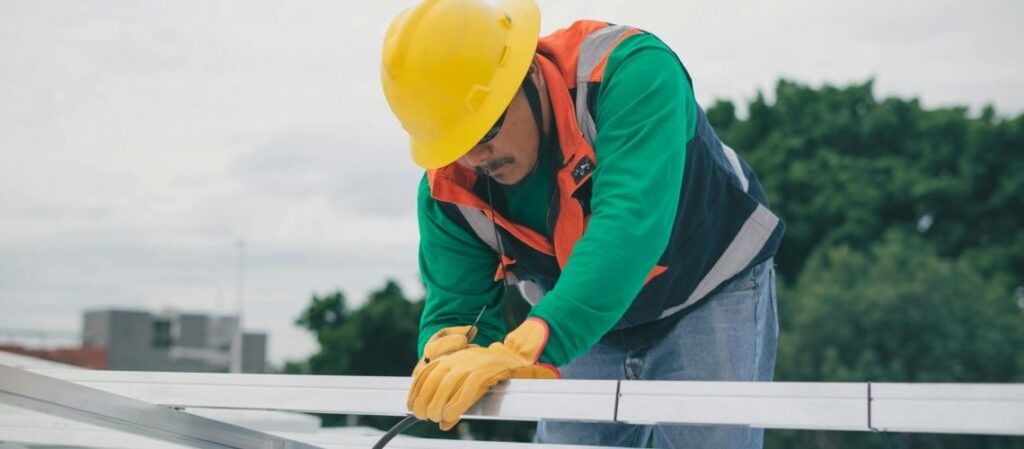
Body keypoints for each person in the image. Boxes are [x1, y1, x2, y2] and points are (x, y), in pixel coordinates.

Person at [381, 0, 783, 447]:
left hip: (706, 288)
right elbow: (459, 309)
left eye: (487, 131)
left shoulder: (631, 74)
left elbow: (627, 229)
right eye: (457, 141)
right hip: (576, 319)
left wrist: (527, 346)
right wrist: (448, 355)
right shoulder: (449, 189)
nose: (476, 158)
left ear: (529, 74)